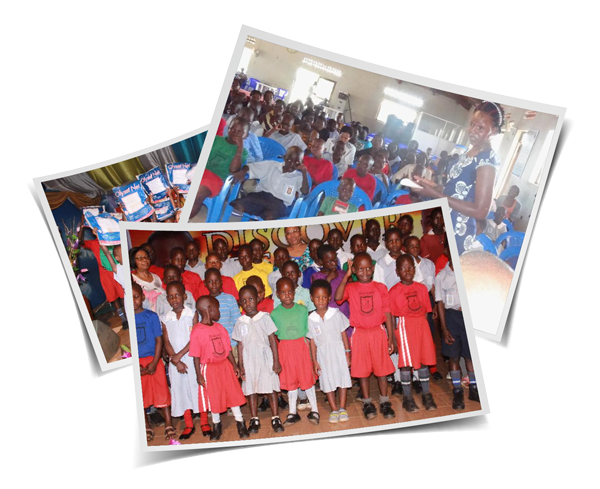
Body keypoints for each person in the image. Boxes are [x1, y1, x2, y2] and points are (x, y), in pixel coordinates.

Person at [413, 101, 505, 254]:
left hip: (457, 231)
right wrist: (434, 187)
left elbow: (480, 210)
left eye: (481, 128)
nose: (473, 131)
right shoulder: (470, 152)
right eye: (472, 124)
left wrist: (436, 194)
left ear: (494, 131)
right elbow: (457, 191)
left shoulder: (487, 161)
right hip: (444, 221)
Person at [334, 253, 396, 420]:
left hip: (378, 332)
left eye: (368, 268)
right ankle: (367, 402)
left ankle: (384, 400)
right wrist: (347, 277)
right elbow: (338, 297)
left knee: (382, 370)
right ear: (354, 270)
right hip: (360, 333)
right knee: (362, 371)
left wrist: (391, 337)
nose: (365, 272)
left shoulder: (380, 287)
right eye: (360, 269)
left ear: (373, 268)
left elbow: (388, 312)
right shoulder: (351, 287)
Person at [190, 296, 249, 441]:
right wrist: (198, 374)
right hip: (209, 369)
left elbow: (227, 349)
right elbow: (196, 355)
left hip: (225, 367)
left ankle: (240, 422)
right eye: (217, 308)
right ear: (209, 310)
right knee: (214, 397)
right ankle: (216, 425)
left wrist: (234, 365)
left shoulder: (219, 328)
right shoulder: (197, 331)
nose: (219, 311)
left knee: (233, 394)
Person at [232, 285, 284, 433]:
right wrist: (241, 365)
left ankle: (275, 417)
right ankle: (254, 418)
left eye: (251, 299)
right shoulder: (240, 322)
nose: (247, 303)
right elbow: (240, 344)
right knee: (251, 389)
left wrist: (276, 361)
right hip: (248, 359)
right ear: (240, 303)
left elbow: (273, 340)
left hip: (265, 357)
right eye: (244, 300)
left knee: (271, 387)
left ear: (258, 299)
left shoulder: (265, 317)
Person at [389, 255, 438, 412]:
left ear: (414, 269)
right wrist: (393, 339)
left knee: (423, 361)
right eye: (403, 268)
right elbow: (391, 315)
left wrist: (423, 331)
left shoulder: (422, 288)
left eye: (410, 267)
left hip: (421, 326)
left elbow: (425, 312)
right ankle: (407, 398)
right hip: (405, 327)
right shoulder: (394, 291)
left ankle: (426, 394)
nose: (407, 271)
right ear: (397, 272)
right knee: (406, 364)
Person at [271, 277, 320, 426]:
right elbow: (273, 337)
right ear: (278, 294)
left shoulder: (303, 310)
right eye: (283, 292)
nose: (287, 295)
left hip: (301, 348)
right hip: (285, 350)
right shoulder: (274, 314)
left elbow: (309, 333)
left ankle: (315, 409)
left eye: (290, 292)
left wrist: (313, 356)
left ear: (294, 292)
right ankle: (292, 412)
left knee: (307, 380)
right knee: (291, 383)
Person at [132, 282, 177, 443]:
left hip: (153, 360)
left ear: (142, 297)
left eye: (136, 297)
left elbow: (159, 340)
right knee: (141, 396)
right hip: (137, 364)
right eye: (129, 298)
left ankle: (169, 423)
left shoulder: (151, 316)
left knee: (161, 392)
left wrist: (154, 362)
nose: (133, 301)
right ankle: (146, 426)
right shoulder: (127, 320)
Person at [435, 254, 480, 409]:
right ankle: (457, 392)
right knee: (453, 357)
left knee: (470, 356)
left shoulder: (470, 271)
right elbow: (440, 302)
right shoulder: (441, 276)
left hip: (468, 316)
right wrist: (444, 328)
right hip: (451, 318)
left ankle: (474, 388)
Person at [160, 281, 202, 440]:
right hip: (175, 362)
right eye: (170, 296)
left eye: (177, 295)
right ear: (167, 299)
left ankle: (204, 421)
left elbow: (195, 338)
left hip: (192, 357)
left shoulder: (192, 314)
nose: (174, 299)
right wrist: (176, 361)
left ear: (184, 296)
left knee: (196, 387)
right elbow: (166, 341)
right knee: (181, 390)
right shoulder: (166, 318)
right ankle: (189, 424)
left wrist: (179, 356)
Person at [307, 280, 352, 424]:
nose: (321, 300)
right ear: (312, 298)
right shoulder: (310, 319)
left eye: (324, 297)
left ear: (329, 298)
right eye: (317, 297)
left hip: (338, 351)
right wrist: (314, 360)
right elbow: (312, 341)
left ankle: (342, 408)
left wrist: (347, 352)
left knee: (342, 379)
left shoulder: (336, 314)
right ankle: (333, 409)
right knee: (327, 381)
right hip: (323, 355)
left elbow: (343, 333)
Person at [229, 146, 309, 220]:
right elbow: (251, 167)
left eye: (297, 162)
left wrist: (304, 173)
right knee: (239, 206)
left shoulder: (299, 177)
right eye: (289, 160)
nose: (292, 164)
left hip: (279, 204)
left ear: (301, 163)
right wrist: (243, 172)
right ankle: (231, 230)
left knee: (269, 216)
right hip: (260, 196)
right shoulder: (271, 165)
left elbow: (305, 191)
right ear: (284, 157)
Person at [193, 118, 250, 216]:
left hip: (216, 178)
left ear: (246, 135)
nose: (235, 133)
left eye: (240, 132)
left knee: (197, 194)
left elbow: (233, 170)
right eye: (232, 129)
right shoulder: (215, 139)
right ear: (228, 129)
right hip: (201, 170)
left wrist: (239, 147)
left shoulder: (243, 152)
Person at [204, 268, 241, 353]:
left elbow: (238, 323)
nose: (214, 284)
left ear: (221, 282)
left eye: (216, 281)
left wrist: (239, 342)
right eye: (210, 281)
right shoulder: (204, 302)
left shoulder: (230, 299)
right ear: (205, 283)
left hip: (231, 344)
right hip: (212, 347)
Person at [310, 244, 350, 319]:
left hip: (345, 315)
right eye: (330, 261)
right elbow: (320, 294)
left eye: (335, 259)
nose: (334, 263)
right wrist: (328, 279)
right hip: (329, 318)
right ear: (321, 261)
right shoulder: (316, 277)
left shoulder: (342, 274)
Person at [130, 247, 164, 311]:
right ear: (133, 261)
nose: (145, 260)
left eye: (146, 257)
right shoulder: (132, 280)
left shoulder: (156, 277)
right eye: (140, 258)